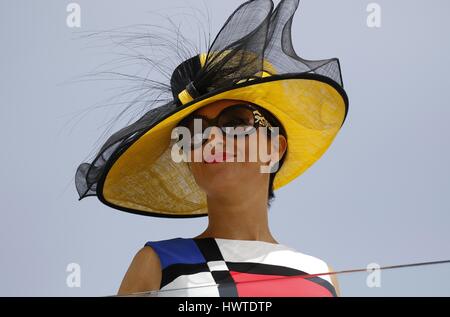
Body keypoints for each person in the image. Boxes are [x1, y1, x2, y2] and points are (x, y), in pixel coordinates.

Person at [75, 0, 348, 297]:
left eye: (235, 122)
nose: (211, 140)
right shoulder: (157, 264)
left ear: (274, 147)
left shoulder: (320, 275)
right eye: (194, 131)